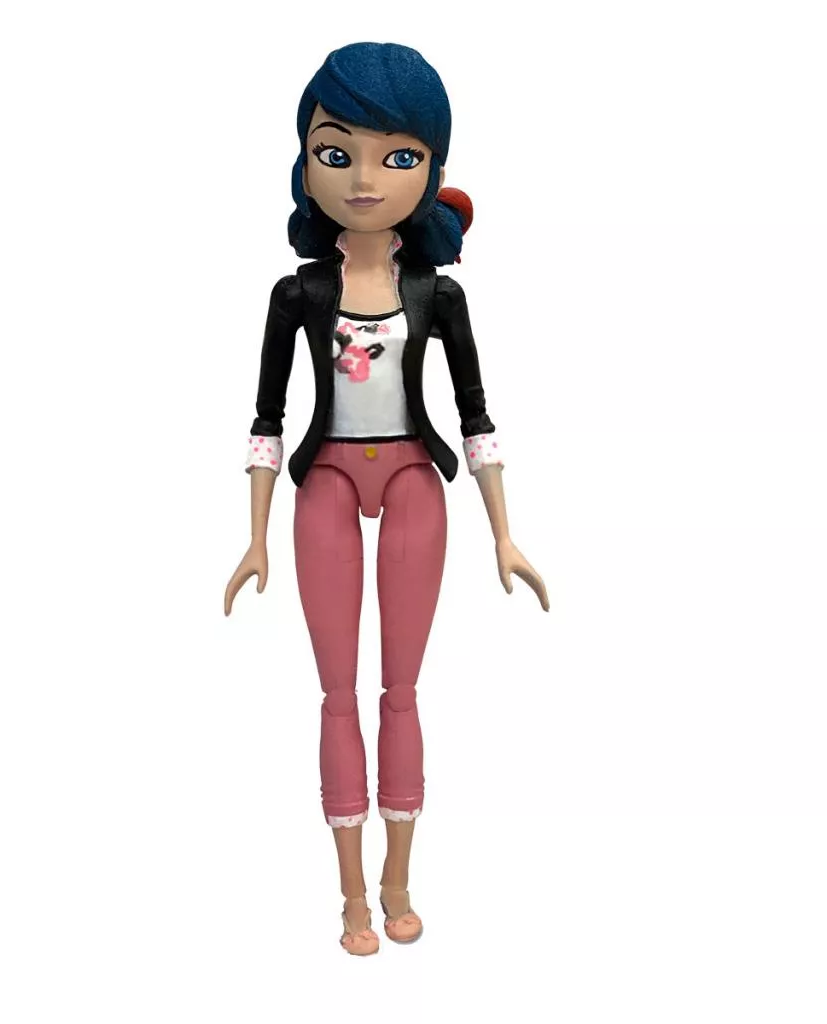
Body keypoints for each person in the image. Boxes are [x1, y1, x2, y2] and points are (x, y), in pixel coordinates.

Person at [224, 41, 549, 955]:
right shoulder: (298, 293)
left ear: (431, 168)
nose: (366, 179)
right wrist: (254, 535)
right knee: (338, 694)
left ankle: (399, 880)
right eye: (338, 152)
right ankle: (351, 897)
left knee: (399, 691)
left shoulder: (436, 295)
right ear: (306, 162)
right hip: (325, 479)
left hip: (412, 477)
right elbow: (266, 417)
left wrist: (504, 532)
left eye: (397, 156)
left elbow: (476, 414)